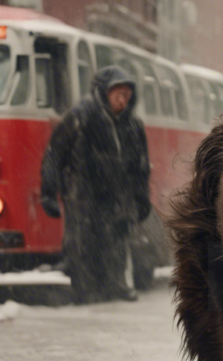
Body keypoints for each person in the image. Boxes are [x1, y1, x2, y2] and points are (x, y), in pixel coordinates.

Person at [40, 66, 151, 304]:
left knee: (116, 244)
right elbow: (54, 154)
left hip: (118, 198)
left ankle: (116, 286)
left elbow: (140, 167)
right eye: (118, 94)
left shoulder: (133, 125)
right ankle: (87, 292)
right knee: (83, 245)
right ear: (104, 93)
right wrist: (48, 192)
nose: (123, 100)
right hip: (83, 197)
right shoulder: (81, 116)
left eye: (127, 95)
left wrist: (142, 198)